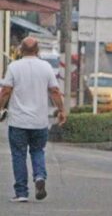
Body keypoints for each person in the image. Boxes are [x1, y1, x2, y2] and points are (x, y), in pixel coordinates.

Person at [0, 37, 66, 202]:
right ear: (38, 51)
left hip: (18, 122)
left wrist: (0, 107)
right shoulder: (46, 67)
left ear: (21, 50)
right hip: (39, 121)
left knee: (19, 155)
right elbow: (55, 91)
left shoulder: (14, 67)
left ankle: (21, 193)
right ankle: (39, 176)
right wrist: (61, 110)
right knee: (37, 151)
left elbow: (6, 90)